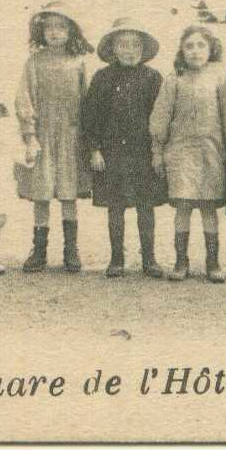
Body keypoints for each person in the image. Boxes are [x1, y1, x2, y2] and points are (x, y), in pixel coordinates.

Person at [150, 25, 226, 284]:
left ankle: (213, 261)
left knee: (209, 207)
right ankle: (181, 261)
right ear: (181, 50)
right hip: (180, 153)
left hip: (211, 152)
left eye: (201, 45)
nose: (195, 51)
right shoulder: (174, 79)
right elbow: (160, 118)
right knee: (184, 206)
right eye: (189, 46)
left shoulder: (220, 78)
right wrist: (157, 151)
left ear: (211, 48)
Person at [84, 17, 167, 279]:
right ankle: (116, 258)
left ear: (142, 50)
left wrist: (158, 152)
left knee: (146, 206)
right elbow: (91, 117)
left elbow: (161, 118)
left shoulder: (153, 78)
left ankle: (149, 258)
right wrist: (94, 150)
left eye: (134, 45)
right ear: (113, 49)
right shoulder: (102, 78)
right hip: (112, 153)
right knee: (116, 206)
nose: (129, 51)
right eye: (123, 45)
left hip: (142, 152)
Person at [14, 0, 92, 273]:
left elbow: (88, 101)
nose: (56, 33)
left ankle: (71, 249)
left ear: (71, 31)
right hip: (43, 136)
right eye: (50, 28)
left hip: (71, 136)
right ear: (41, 33)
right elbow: (24, 99)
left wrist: (87, 137)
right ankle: (40, 250)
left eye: (61, 27)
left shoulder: (79, 62)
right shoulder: (34, 62)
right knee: (42, 194)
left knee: (69, 195)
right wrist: (30, 135)